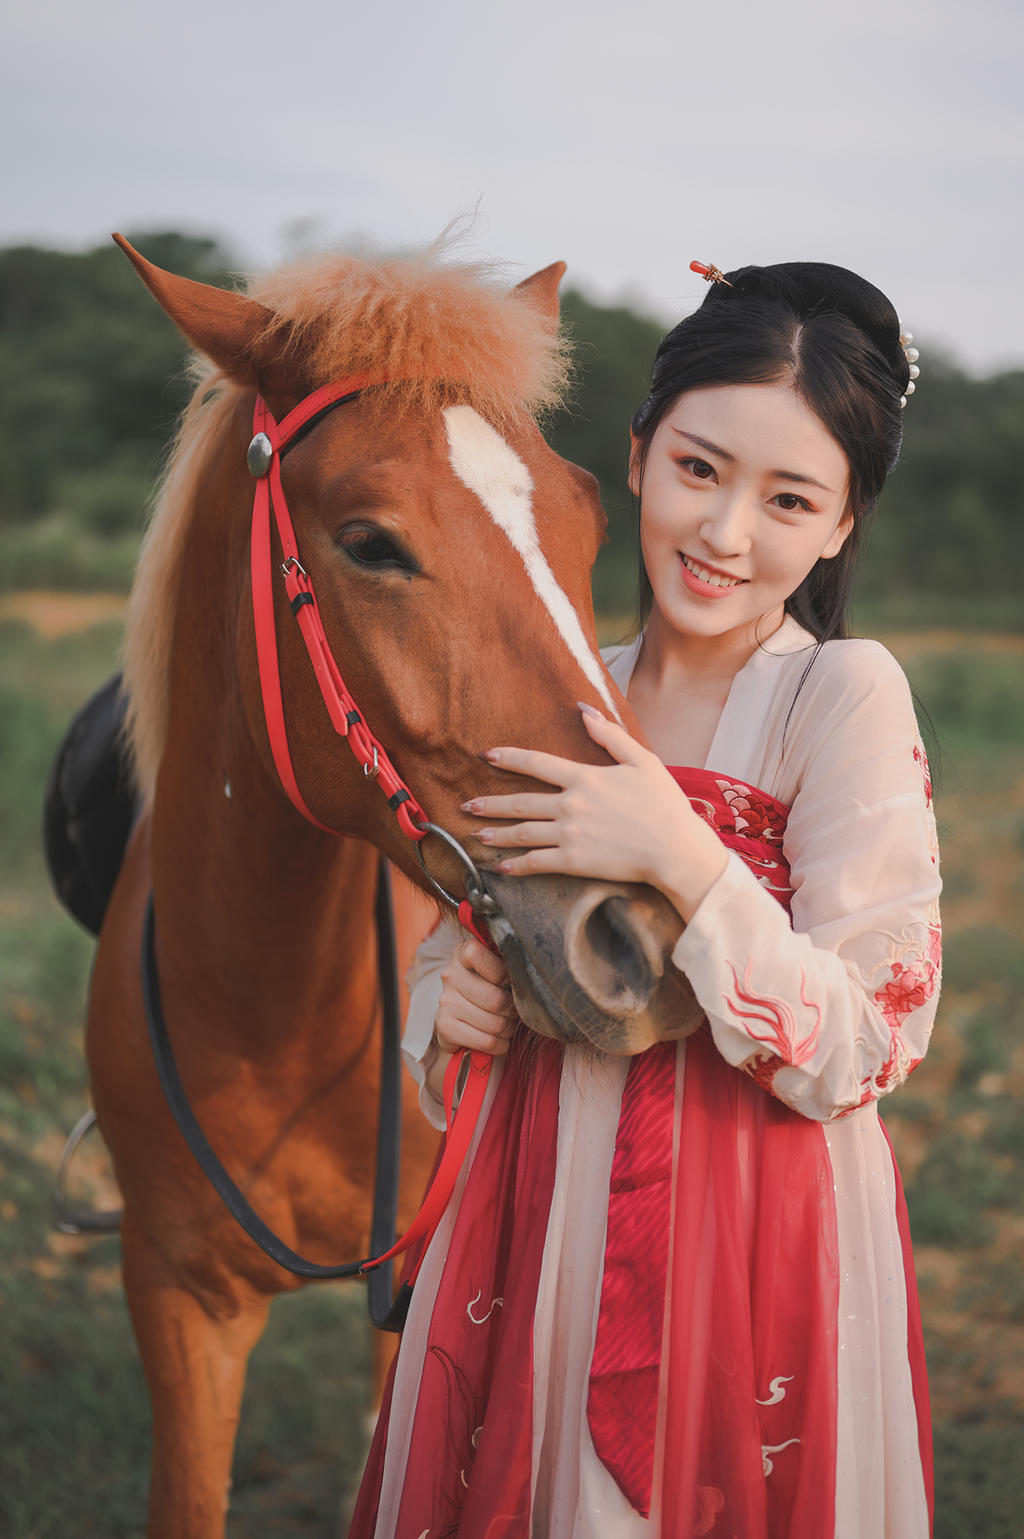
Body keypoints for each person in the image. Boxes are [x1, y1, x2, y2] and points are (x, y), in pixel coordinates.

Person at [348, 262, 941, 1539]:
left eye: (789, 499)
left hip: (746, 1224)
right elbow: (464, 946)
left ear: (840, 526)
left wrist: (683, 855)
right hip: (529, 1198)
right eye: (698, 470)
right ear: (634, 456)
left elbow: (866, 1044)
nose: (726, 533)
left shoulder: (836, 696)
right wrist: (445, 1009)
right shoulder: (563, 689)